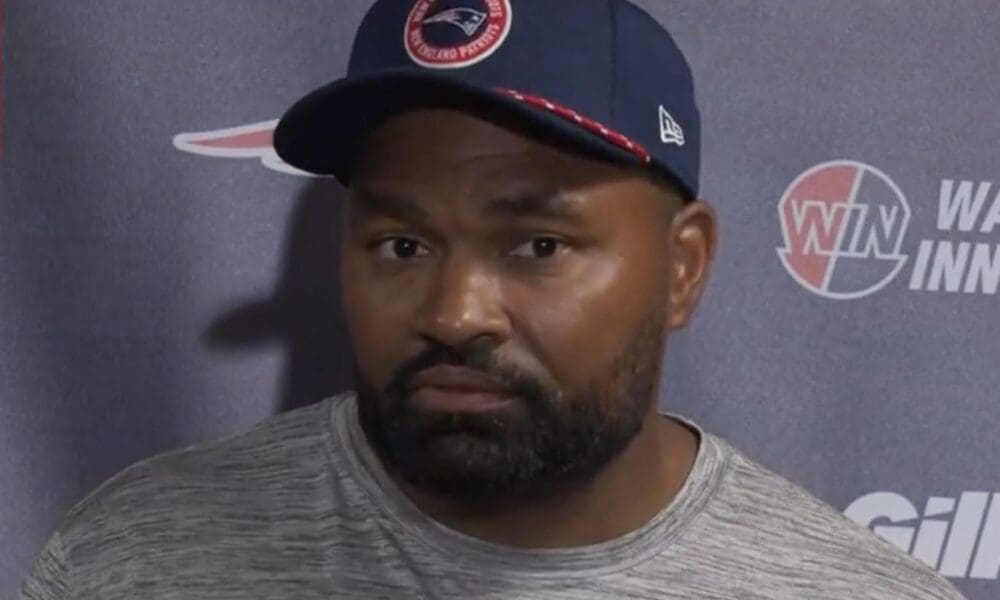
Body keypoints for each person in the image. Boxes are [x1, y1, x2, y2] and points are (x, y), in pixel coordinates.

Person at [19, 1, 967, 598]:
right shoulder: (137, 562)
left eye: (539, 245)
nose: (456, 310)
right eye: (403, 243)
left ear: (683, 268)